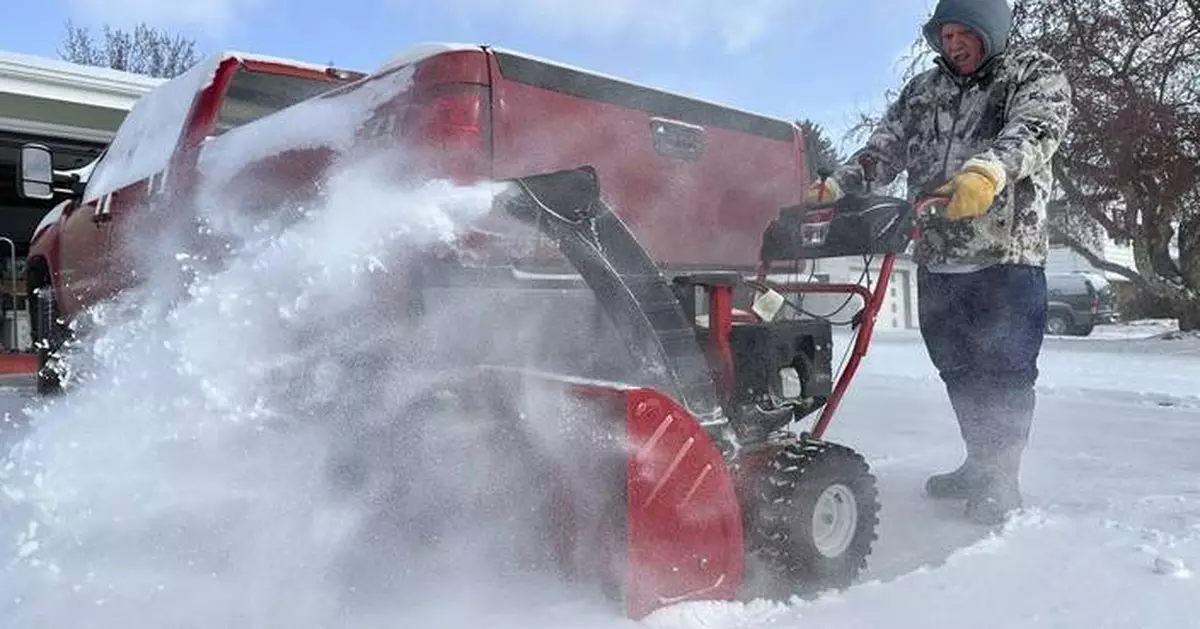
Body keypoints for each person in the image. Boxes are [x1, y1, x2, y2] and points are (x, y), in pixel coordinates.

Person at [810, 0, 1073, 525]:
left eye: (963, 32)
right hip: (936, 257)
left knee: (1005, 373)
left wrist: (989, 172)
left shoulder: (1032, 72)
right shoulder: (923, 92)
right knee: (957, 369)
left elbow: (1037, 129)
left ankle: (1001, 477)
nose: (952, 44)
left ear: (989, 30)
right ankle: (979, 462)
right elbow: (882, 150)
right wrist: (840, 182)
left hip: (1006, 258)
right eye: (944, 34)